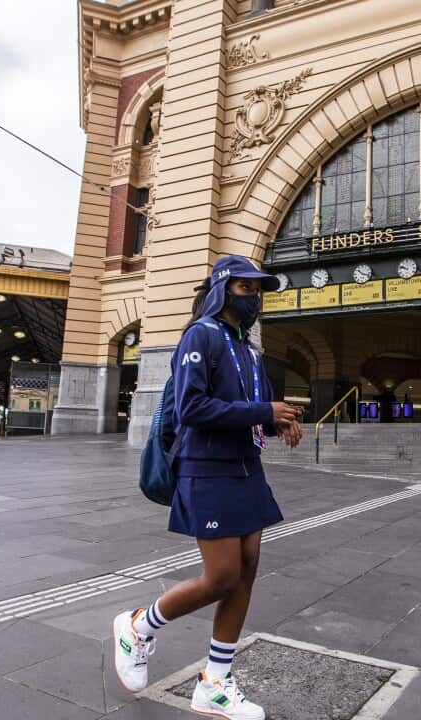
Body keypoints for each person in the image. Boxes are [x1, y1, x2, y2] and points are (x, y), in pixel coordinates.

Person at [113, 256, 303, 720]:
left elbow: (249, 407)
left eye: (258, 290)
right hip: (206, 467)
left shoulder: (248, 350)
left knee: (248, 569)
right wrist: (264, 413)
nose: (253, 297)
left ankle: (215, 682)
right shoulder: (201, 335)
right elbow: (194, 408)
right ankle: (138, 626)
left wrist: (280, 422)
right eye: (245, 287)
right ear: (223, 290)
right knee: (221, 577)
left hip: (245, 468)